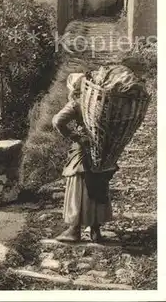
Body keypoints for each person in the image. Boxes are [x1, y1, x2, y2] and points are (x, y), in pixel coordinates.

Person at [52, 72, 117, 243]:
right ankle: (96, 230)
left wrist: (75, 136)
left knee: (79, 186)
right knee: (97, 184)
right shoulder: (101, 101)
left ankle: (74, 230)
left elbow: (58, 121)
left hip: (83, 150)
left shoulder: (76, 104)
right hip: (101, 149)